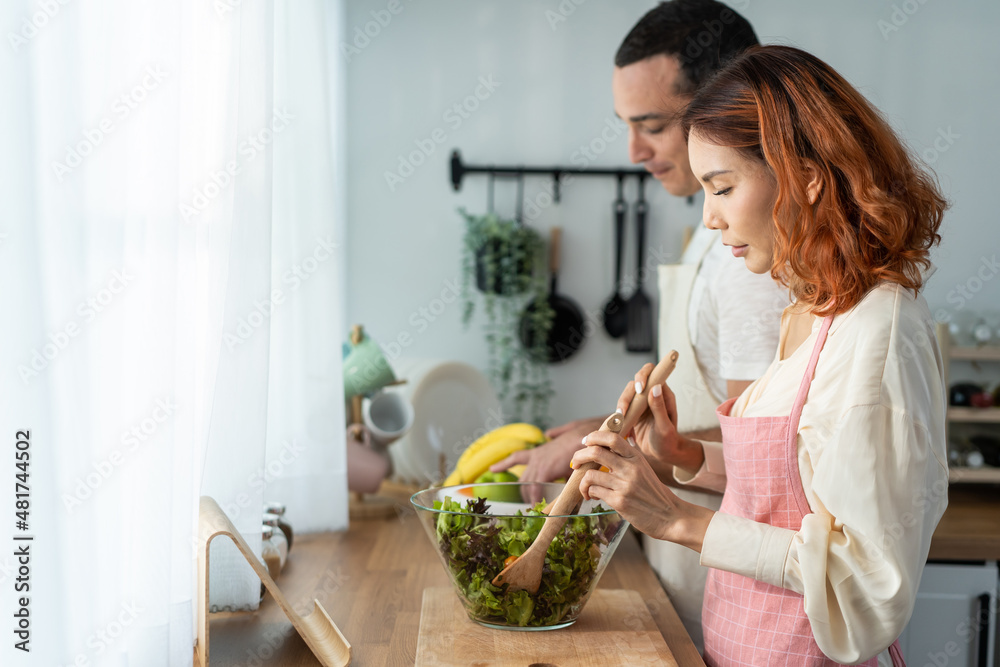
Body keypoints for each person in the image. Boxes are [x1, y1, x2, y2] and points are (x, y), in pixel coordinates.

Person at [572, 44, 949, 666]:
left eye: (721, 187)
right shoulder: (814, 307)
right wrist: (684, 456)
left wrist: (676, 519)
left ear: (806, 174)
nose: (711, 218)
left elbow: (865, 579)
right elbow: (803, 479)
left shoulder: (879, 331)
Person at [491, 0, 788, 650]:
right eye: (626, 125)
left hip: (743, 595)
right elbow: (713, 401)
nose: (632, 151)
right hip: (698, 583)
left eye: (650, 125)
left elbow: (768, 457)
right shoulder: (718, 235)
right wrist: (609, 424)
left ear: (726, 104)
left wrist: (619, 450)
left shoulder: (751, 264)